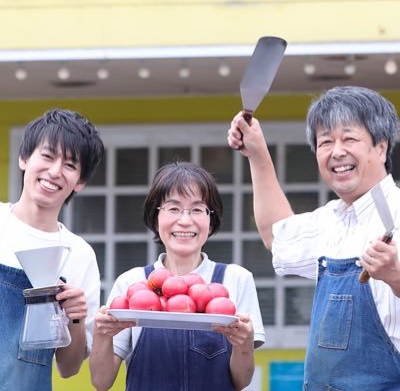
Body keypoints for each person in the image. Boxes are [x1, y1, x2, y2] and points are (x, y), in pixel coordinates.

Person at [227, 86, 400, 390]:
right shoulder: (330, 219)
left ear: (381, 147)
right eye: (325, 142)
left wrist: (396, 277)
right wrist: (257, 153)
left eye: (349, 138)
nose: (337, 151)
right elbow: (275, 234)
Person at [89, 161, 265, 391]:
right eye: (173, 208)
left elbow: (241, 380)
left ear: (211, 220)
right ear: (156, 217)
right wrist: (102, 335)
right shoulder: (132, 283)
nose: (185, 220)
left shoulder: (236, 279)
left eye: (197, 209)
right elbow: (101, 382)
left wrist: (243, 345)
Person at [0, 109, 105, 391]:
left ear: (80, 182)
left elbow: (69, 368)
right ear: (24, 158)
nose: (55, 171)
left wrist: (75, 318)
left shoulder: (78, 255)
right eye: (47, 156)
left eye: (70, 165)